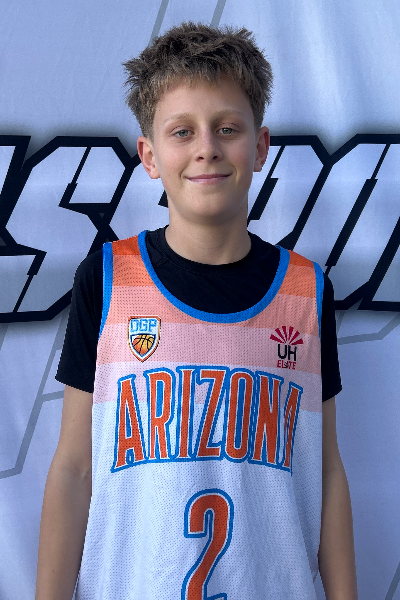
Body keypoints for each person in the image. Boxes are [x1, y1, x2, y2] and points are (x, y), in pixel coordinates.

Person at [35, 22, 358, 600]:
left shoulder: (306, 290)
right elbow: (74, 469)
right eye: (182, 131)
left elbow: (327, 472)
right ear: (150, 156)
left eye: (227, 128)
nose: (206, 147)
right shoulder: (108, 279)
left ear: (260, 146)